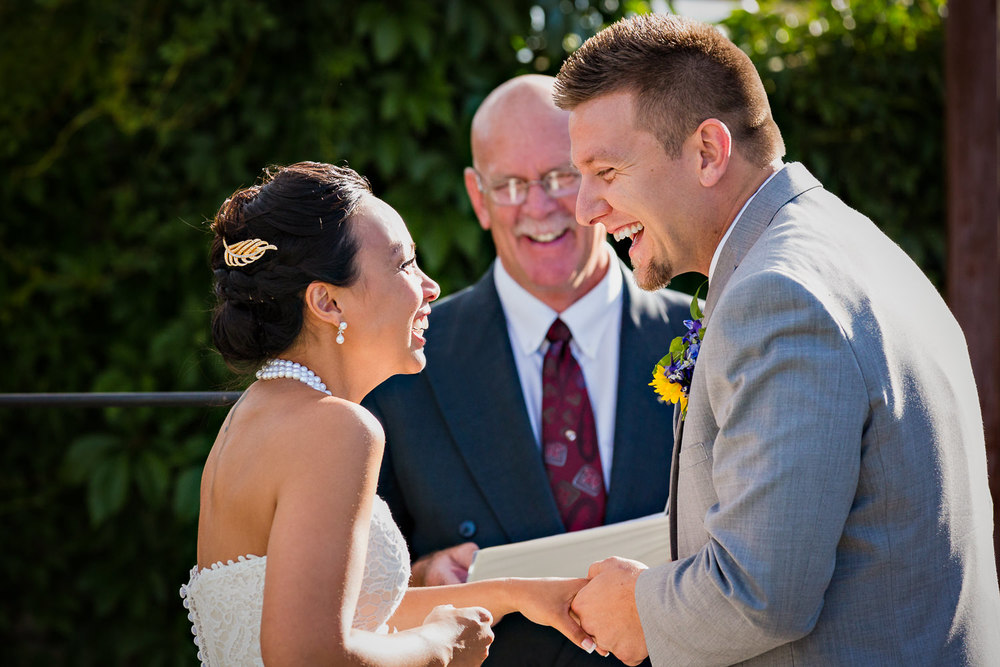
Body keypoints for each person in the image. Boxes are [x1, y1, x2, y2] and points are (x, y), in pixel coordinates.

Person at [550, 13, 1000, 666]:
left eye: (608, 171)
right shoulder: (851, 245)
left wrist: (639, 608)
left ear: (708, 151)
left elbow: (761, 591)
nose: (585, 207)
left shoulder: (779, 295)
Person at [179, 161, 599, 665]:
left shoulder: (258, 413)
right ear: (327, 302)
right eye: (403, 266)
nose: (431, 288)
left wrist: (516, 594)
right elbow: (307, 654)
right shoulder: (336, 428)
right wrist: (440, 647)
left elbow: (347, 616)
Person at [363, 75, 693, 665]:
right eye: (511, 185)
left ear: (602, 181)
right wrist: (416, 576)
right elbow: (346, 590)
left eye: (561, 177)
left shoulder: (702, 337)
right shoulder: (401, 363)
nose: (539, 207)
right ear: (477, 195)